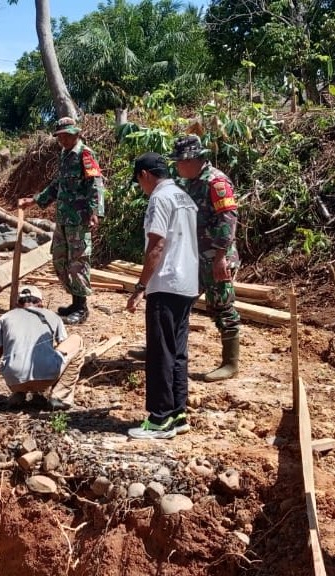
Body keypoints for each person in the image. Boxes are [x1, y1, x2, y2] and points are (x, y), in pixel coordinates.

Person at [125, 152, 199, 440]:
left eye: (139, 181)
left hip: (166, 282)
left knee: (160, 352)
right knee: (177, 351)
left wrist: (141, 286)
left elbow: (156, 245)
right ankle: (178, 414)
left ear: (145, 175)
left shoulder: (160, 198)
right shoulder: (184, 197)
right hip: (186, 283)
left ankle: (159, 418)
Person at [18, 117, 105, 325]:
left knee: (78, 262)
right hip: (64, 218)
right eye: (60, 136)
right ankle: (75, 301)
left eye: (67, 135)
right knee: (59, 259)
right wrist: (36, 200)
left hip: (79, 219)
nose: (63, 140)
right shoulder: (65, 155)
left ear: (76, 133)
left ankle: (81, 308)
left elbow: (96, 183)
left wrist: (95, 212)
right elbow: (58, 185)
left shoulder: (85, 154)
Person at [170, 134, 241, 382]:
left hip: (215, 256)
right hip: (194, 256)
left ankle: (230, 363)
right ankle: (167, 350)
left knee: (222, 305)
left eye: (179, 161)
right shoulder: (189, 181)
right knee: (177, 302)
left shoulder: (216, 182)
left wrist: (221, 257)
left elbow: (228, 220)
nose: (177, 166)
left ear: (193, 160)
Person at [0, 285, 84, 411]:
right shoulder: (53, 316)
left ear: (18, 303)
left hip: (14, 381)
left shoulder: (3, 319)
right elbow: (63, 348)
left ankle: (19, 394)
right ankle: (60, 397)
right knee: (77, 340)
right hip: (46, 378)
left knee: (17, 351)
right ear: (40, 303)